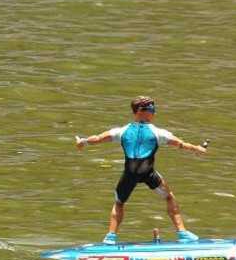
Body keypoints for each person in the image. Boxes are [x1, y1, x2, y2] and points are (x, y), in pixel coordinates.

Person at [74, 96, 209, 244]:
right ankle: (182, 233)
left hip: (129, 174)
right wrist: (196, 148)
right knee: (169, 197)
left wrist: (83, 141)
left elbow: (98, 138)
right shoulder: (159, 133)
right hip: (148, 173)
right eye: (152, 110)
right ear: (141, 111)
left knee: (119, 203)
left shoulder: (121, 131)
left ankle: (110, 237)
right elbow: (181, 144)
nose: (154, 113)